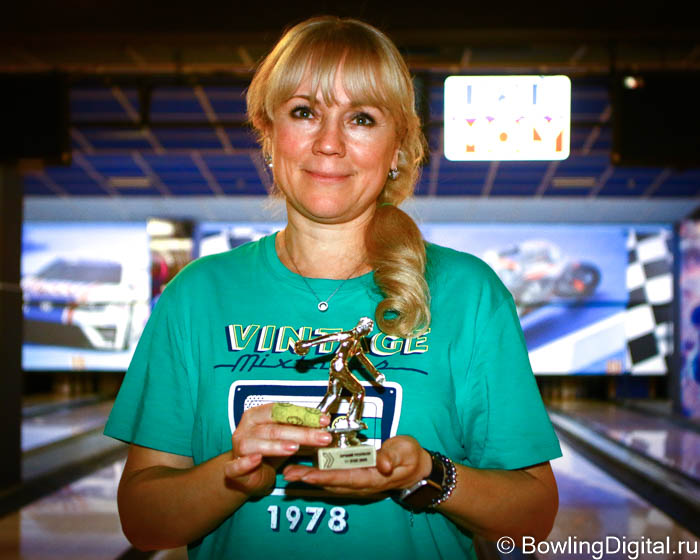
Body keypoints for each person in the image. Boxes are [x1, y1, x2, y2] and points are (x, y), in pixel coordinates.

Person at [105, 15, 562, 559]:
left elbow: (532, 517)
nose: (328, 143)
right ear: (268, 132)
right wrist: (233, 476)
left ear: (398, 148)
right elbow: (143, 523)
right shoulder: (196, 295)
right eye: (305, 112)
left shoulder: (468, 293)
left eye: (361, 119)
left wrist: (427, 474)